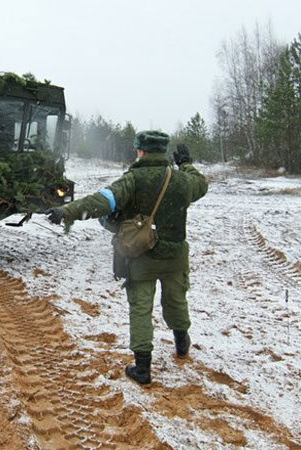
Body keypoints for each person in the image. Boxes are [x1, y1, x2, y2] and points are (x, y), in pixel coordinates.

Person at [46, 131, 208, 385]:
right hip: (176, 257)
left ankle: (143, 368)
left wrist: (67, 211)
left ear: (140, 151)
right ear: (163, 152)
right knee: (176, 301)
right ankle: (182, 342)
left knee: (141, 309)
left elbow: (102, 201)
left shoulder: (132, 180)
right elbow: (201, 184)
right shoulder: (181, 181)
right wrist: (185, 163)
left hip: (142, 257)